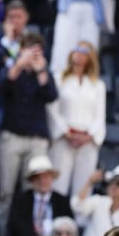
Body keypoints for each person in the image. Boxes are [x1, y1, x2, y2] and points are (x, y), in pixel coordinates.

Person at [0, 33, 57, 207]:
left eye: (36, 51)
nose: (32, 55)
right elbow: (1, 87)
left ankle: (26, 232)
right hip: (12, 135)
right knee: (5, 190)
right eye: (28, 49)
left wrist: (40, 71)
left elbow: (51, 95)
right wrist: (19, 65)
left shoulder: (44, 73)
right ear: (21, 50)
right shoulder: (11, 69)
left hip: (37, 138)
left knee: (31, 190)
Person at [47, 41, 106, 197]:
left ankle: (80, 221)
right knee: (58, 184)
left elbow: (99, 116)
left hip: (88, 141)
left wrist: (88, 136)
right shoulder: (59, 79)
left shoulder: (98, 85)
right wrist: (66, 133)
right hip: (64, 138)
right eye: (77, 50)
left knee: (83, 189)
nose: (79, 54)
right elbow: (52, 109)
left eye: (84, 52)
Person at [2, 155, 74, 236]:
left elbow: (70, 226)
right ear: (32, 180)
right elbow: (15, 226)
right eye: (37, 178)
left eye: (46, 176)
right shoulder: (22, 199)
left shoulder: (62, 201)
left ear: (51, 178)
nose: (42, 181)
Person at [49, 0, 110, 73]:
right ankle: (60, 78)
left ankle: (87, 77)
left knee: (89, 46)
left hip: (91, 11)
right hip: (69, 8)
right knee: (64, 46)